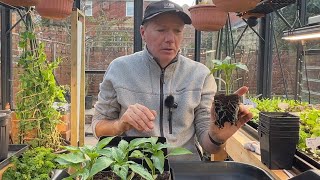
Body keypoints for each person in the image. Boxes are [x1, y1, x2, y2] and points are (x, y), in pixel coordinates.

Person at [92, 0, 253, 161]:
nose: (170, 38)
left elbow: (208, 144)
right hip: (136, 168)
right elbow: (98, 126)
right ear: (143, 32)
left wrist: (217, 137)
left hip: (184, 169)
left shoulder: (200, 75)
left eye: (177, 31)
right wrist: (120, 124)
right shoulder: (120, 69)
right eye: (161, 30)